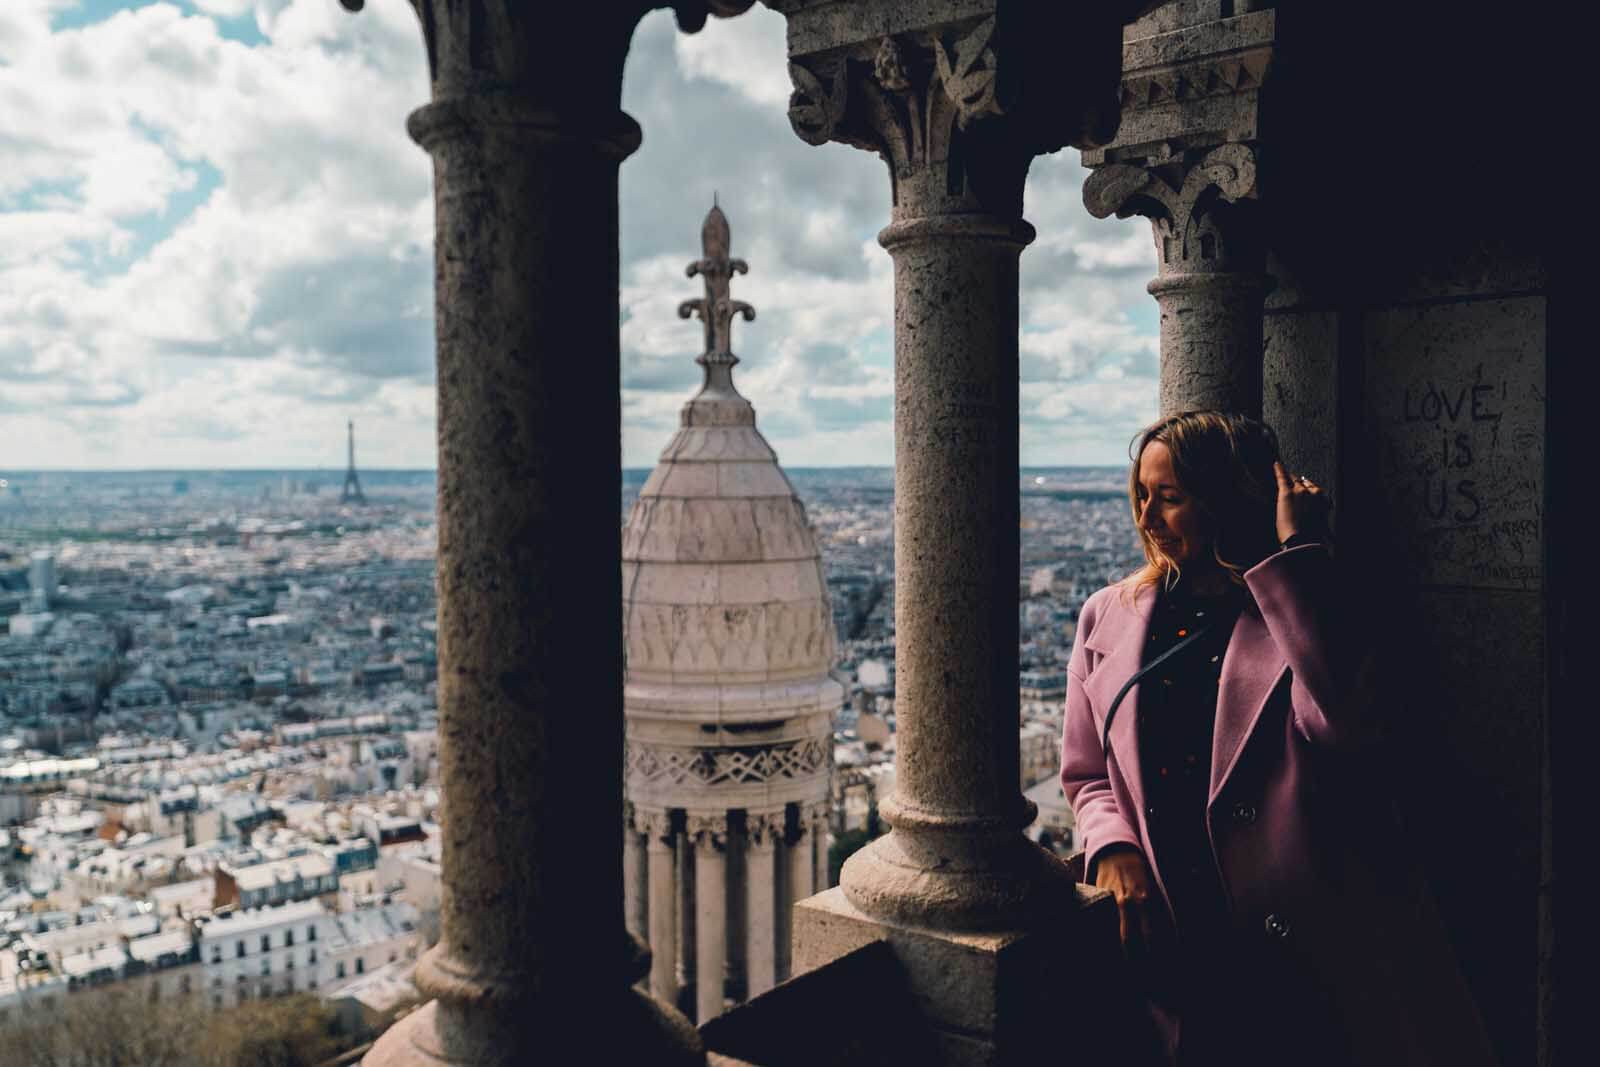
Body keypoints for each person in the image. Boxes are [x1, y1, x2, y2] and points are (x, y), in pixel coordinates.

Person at [1059, 410, 1498, 1067]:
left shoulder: (1301, 609)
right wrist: (1113, 846)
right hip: (1172, 946)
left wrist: (1296, 561)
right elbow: (1088, 770)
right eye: (1141, 494)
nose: (1146, 517)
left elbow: (1346, 725)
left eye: (1171, 498)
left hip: (1301, 955)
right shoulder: (1107, 614)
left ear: (1227, 502)